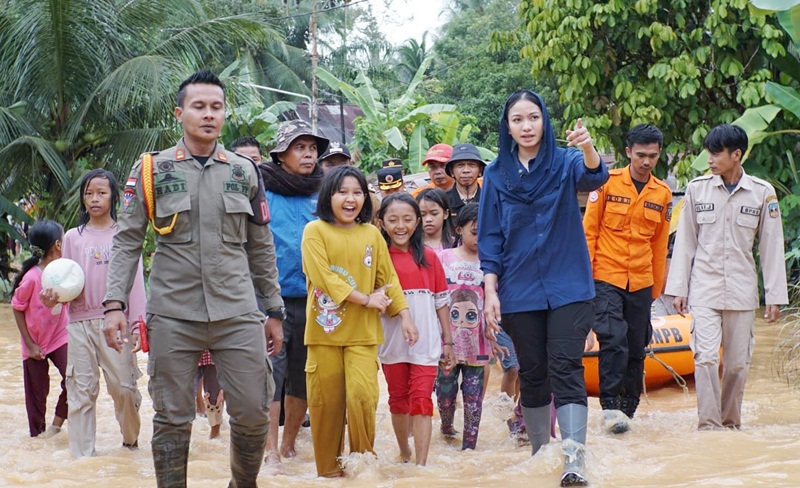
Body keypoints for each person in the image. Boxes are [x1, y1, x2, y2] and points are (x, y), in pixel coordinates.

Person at [103, 70, 284, 487]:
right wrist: (114, 305)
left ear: (225, 114)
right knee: (171, 415)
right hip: (173, 311)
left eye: (216, 107)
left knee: (255, 410)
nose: (208, 115)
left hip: (237, 309)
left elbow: (261, 246)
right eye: (199, 106)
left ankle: (243, 483)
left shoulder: (245, 172)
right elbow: (128, 241)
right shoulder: (151, 169)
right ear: (179, 112)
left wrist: (273, 309)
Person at [478, 90, 608, 486]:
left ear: (544, 121)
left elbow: (595, 176)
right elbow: (490, 238)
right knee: (532, 372)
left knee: (567, 368)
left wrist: (587, 147)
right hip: (518, 290)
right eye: (517, 120)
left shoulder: (566, 162)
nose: (526, 126)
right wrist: (490, 292)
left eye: (533, 118)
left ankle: (573, 462)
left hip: (568, 284)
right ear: (508, 126)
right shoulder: (496, 175)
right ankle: (540, 457)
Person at [665, 123, 788, 431]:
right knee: (705, 358)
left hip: (742, 293)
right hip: (704, 290)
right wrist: (678, 288)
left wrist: (774, 296)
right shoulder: (697, 189)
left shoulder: (762, 193)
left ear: (736, 155)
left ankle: (730, 425)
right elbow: (685, 242)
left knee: (736, 364)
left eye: (716, 153)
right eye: (708, 152)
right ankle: (708, 427)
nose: (709, 159)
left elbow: (772, 246)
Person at [301, 166, 418, 477]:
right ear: (329, 196)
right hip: (323, 335)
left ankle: (362, 471)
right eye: (343, 192)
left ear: (366, 199)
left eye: (357, 192)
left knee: (363, 398)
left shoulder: (371, 235)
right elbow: (322, 278)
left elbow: (388, 279)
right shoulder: (315, 231)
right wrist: (366, 299)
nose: (350, 199)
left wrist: (405, 315)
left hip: (364, 335)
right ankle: (327, 475)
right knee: (326, 408)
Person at [582, 124, 672, 433]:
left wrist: (657, 287)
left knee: (636, 346)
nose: (647, 162)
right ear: (628, 152)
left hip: (642, 282)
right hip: (606, 276)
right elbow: (589, 231)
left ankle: (628, 411)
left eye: (653, 156)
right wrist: (586, 281)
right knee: (614, 339)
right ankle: (609, 407)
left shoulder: (662, 193)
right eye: (641, 155)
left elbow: (660, 243)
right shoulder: (605, 183)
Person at [258, 123, 330, 467]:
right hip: (272, 300)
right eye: (299, 147)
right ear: (281, 155)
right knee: (272, 373)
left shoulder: (326, 192)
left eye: (313, 149)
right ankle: (269, 449)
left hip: (317, 298)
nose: (308, 154)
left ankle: (288, 445)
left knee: (303, 375)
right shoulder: (262, 191)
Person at [62, 169, 147, 457]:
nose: (94, 199)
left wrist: (137, 326)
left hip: (117, 322)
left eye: (101, 192)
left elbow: (135, 284)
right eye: (88, 193)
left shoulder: (125, 236)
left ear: (114, 196)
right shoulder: (73, 237)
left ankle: (130, 442)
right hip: (79, 322)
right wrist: (53, 298)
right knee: (80, 392)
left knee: (124, 389)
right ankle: (82, 460)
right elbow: (64, 281)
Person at [377, 193, 454, 465]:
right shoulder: (378, 259)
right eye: (393, 220)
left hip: (426, 343)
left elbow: (442, 303)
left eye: (408, 219)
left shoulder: (431, 258)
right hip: (390, 343)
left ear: (418, 221)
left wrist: (448, 342)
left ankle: (421, 467)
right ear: (381, 223)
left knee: (422, 401)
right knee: (398, 400)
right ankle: (405, 454)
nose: (401, 226)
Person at [435, 203, 493, 450]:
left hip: (478, 345)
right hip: (446, 343)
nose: (481, 238)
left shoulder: (492, 264)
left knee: (473, 400)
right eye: (475, 231)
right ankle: (447, 427)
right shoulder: (443, 258)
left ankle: (470, 447)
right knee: (445, 396)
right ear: (459, 230)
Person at [11, 220, 69, 438]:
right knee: (36, 397)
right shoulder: (32, 278)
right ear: (57, 244)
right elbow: (17, 308)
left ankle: (55, 428)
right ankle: (37, 440)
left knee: (75, 379)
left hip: (60, 336)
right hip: (34, 342)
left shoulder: (65, 270)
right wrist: (30, 344)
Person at [445, 143, 485, 219]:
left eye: (472, 165)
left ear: (480, 170)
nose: (466, 170)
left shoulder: (490, 200)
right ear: (451, 171)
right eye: (460, 165)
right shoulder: (444, 201)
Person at [416, 187, 455, 252]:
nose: (428, 219)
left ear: (446, 214)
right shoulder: (412, 247)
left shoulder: (457, 244)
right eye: (422, 215)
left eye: (434, 214)